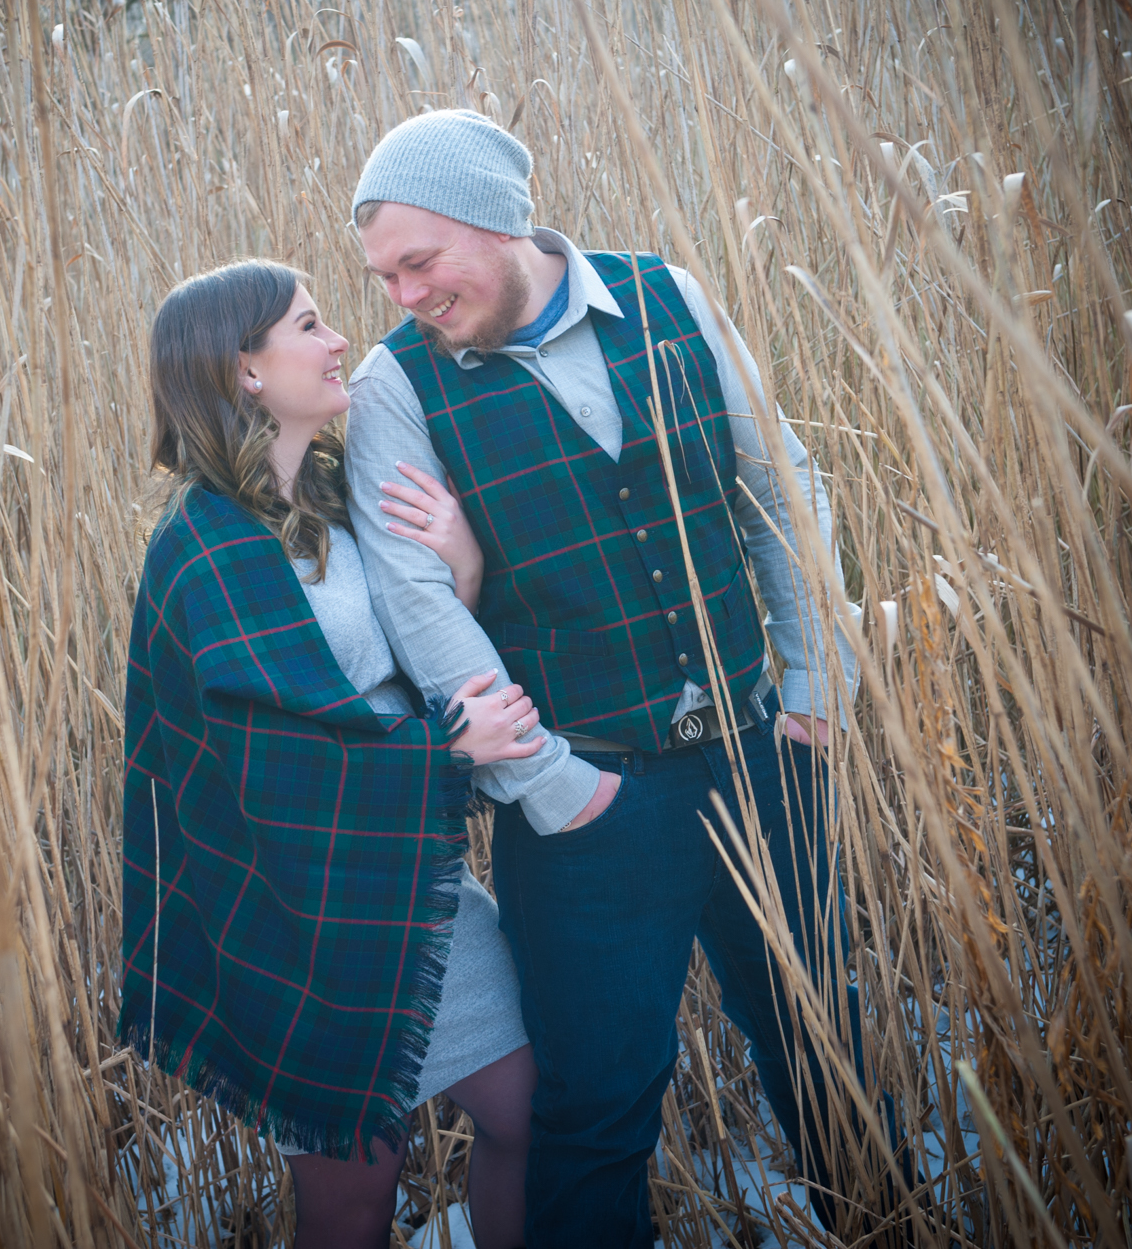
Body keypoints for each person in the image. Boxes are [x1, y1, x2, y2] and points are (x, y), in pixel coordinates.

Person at [343, 111, 903, 1247]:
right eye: (382, 274)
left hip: (763, 756)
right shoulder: (395, 387)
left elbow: (778, 484)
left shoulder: (671, 298)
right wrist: (553, 787)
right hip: (588, 808)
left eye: (420, 261)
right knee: (595, 1115)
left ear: (497, 223)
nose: (402, 294)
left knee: (826, 1048)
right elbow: (417, 604)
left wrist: (814, 684)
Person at [118, 259, 541, 1249]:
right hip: (296, 915)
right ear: (247, 372)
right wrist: (444, 757)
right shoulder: (202, 548)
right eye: (309, 326)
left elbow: (400, 665)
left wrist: (463, 567)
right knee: (356, 1194)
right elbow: (264, 757)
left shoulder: (338, 498)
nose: (339, 338)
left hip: (411, 886)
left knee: (528, 1110)